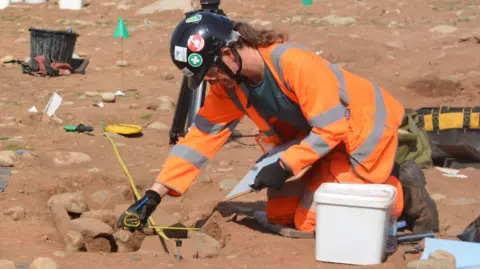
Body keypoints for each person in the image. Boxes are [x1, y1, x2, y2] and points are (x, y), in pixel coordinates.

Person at [116, 11, 438, 233]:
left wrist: (284, 166)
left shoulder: (293, 61)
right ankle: (337, 184)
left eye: (212, 70)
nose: (212, 80)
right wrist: (154, 195)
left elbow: (333, 127)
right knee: (279, 214)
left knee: (312, 223)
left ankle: (401, 191)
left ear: (229, 52)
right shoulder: (228, 85)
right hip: (322, 145)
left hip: (362, 134)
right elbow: (198, 140)